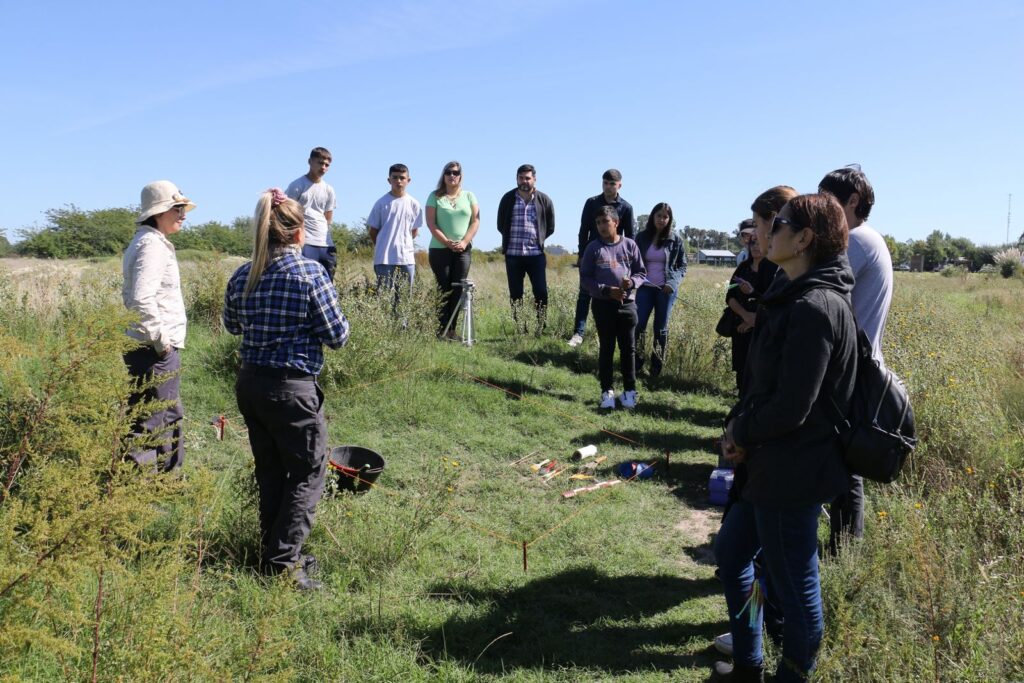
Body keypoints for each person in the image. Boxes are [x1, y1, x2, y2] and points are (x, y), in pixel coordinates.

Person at [714, 194, 857, 682]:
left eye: (780, 224)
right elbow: (764, 385)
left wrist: (743, 433)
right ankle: (750, 662)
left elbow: (793, 408)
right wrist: (737, 428)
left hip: (792, 474)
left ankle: (793, 674)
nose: (765, 232)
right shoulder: (791, 291)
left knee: (798, 595)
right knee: (733, 556)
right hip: (768, 467)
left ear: (804, 240)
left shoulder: (817, 307)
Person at [222, 188, 350, 591]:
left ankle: (273, 551)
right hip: (292, 389)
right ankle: (282, 563)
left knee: (272, 471)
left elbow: (231, 325)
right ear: (299, 234)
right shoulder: (310, 274)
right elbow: (337, 335)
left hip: (251, 384)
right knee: (307, 473)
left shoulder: (244, 274)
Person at [818, 164, 891, 555]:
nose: (822, 210)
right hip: (855, 367)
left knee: (846, 468)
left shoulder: (857, 241)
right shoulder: (868, 239)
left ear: (853, 202)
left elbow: (819, 287)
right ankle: (841, 550)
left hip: (849, 371)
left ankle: (844, 552)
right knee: (841, 461)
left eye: (829, 201)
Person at [122, 180, 194, 472]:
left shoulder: (150, 241)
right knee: (151, 418)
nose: (183, 214)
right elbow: (141, 298)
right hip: (152, 348)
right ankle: (138, 488)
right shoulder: (151, 245)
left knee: (165, 412)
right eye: (176, 208)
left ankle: (168, 478)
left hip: (150, 346)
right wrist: (161, 341)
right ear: (158, 212)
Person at [579, 206, 646, 409]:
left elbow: (641, 273)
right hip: (602, 305)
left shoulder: (630, 245)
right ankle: (607, 391)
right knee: (607, 348)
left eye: (605, 222)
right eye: (598, 223)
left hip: (627, 305)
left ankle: (630, 391)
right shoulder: (593, 248)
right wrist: (607, 290)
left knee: (628, 349)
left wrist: (631, 283)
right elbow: (585, 279)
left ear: (615, 222)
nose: (601, 226)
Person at [568, 169, 637, 347]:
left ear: (619, 185)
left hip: (615, 258)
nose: (608, 187)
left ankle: (606, 336)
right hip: (592, 253)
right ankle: (578, 333)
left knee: (612, 295)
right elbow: (584, 230)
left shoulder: (626, 207)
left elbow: (630, 236)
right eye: (605, 183)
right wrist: (582, 254)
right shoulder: (591, 203)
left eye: (612, 183)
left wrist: (629, 263)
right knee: (585, 294)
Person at [496, 164, 556, 332]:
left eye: (528, 178)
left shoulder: (544, 200)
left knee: (541, 291)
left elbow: (550, 226)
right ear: (517, 179)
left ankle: (540, 326)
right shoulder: (508, 199)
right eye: (521, 178)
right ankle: (520, 327)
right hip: (513, 254)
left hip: (535, 255)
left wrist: (539, 239)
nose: (524, 181)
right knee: (516, 293)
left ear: (534, 179)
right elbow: (501, 224)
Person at [426, 161, 480, 338]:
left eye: (455, 173)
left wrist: (464, 242)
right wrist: (448, 242)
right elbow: (431, 224)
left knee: (458, 289)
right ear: (443, 176)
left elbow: (475, 220)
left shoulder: (469, 196)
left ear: (460, 176)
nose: (452, 176)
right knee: (444, 289)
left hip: (463, 250)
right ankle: (440, 330)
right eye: (448, 172)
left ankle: (452, 331)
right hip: (440, 249)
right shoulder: (434, 196)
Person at [633, 203, 687, 378]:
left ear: (669, 219)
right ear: (652, 217)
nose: (662, 219)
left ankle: (656, 368)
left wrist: (672, 283)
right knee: (639, 325)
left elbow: (682, 266)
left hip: (665, 290)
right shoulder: (640, 237)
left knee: (660, 329)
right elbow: (632, 261)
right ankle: (637, 363)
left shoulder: (675, 240)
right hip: (644, 289)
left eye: (665, 217)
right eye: (659, 216)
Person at [726, 220, 778, 395]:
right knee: (741, 366)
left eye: (758, 243)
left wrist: (753, 293)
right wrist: (745, 316)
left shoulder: (773, 270)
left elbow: (773, 299)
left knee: (757, 369)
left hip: (762, 327)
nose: (755, 247)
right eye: (752, 244)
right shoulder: (742, 268)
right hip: (740, 326)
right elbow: (730, 296)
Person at [367, 163, 422, 313]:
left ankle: (401, 330)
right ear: (389, 180)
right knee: (384, 297)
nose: (398, 181)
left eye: (402, 178)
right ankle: (384, 330)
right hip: (384, 259)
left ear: (408, 180)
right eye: (395, 177)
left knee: (404, 298)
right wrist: (383, 244)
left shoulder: (414, 204)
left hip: (406, 258)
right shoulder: (381, 203)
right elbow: (373, 231)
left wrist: (403, 244)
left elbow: (414, 231)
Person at [286, 146, 338, 281]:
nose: (324, 167)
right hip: (304, 242)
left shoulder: (329, 189)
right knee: (304, 280)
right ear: (310, 162)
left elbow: (328, 216)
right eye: (320, 163)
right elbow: (287, 213)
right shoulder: (297, 185)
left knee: (327, 281)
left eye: (327, 165)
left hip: (325, 243)